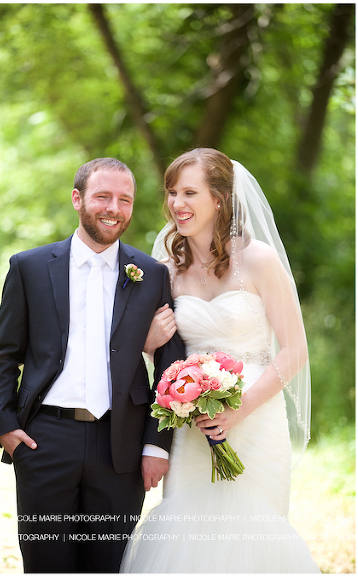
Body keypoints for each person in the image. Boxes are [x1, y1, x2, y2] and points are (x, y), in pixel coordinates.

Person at [120, 148, 319, 572]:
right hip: (192, 423)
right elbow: (157, 348)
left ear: (220, 199)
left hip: (257, 422)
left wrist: (241, 407)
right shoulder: (165, 269)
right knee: (186, 535)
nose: (177, 204)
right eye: (172, 192)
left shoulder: (259, 260)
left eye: (190, 192)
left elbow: (295, 350)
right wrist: (149, 342)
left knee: (254, 540)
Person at [0, 158, 186, 572]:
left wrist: (155, 444)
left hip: (122, 446)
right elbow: (5, 354)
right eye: (102, 197)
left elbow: (171, 366)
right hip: (44, 441)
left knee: (110, 564)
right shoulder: (30, 267)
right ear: (78, 199)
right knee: (46, 564)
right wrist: (5, 426)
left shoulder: (150, 274)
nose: (114, 207)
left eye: (124, 199)